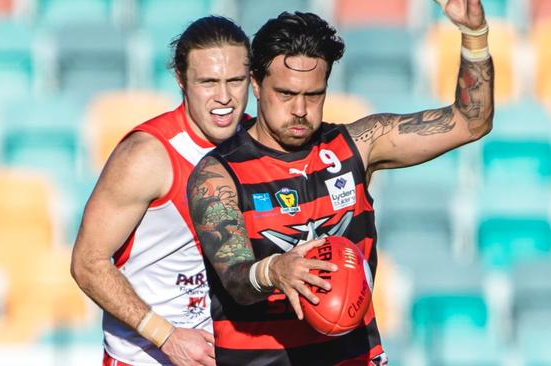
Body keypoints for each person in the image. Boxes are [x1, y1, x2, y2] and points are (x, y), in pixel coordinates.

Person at [187, 1, 494, 365]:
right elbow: (234, 278)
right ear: (255, 83)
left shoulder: (356, 147)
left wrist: (475, 34)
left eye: (313, 95)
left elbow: (470, 122)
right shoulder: (219, 174)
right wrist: (275, 270)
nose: (300, 109)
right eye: (285, 94)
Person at [70, 16, 251, 366]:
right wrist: (167, 336)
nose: (225, 97)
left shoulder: (259, 143)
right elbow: (87, 263)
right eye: (209, 82)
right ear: (180, 80)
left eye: (236, 81)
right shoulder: (146, 156)